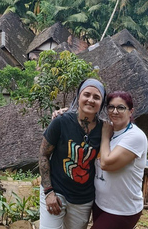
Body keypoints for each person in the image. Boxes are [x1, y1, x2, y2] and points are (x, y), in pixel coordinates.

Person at [39, 78, 106, 229]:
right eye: (86, 95)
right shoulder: (61, 122)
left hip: (83, 199)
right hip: (56, 191)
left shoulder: (105, 130)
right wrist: (48, 192)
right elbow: (43, 155)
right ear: (78, 97)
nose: (90, 100)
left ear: (102, 103)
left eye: (96, 97)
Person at [92, 90, 148, 229]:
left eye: (121, 107)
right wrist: (61, 114)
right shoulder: (111, 131)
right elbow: (82, 118)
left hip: (122, 210)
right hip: (100, 203)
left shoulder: (135, 136)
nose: (115, 111)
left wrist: (105, 136)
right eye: (111, 107)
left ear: (131, 111)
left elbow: (105, 163)